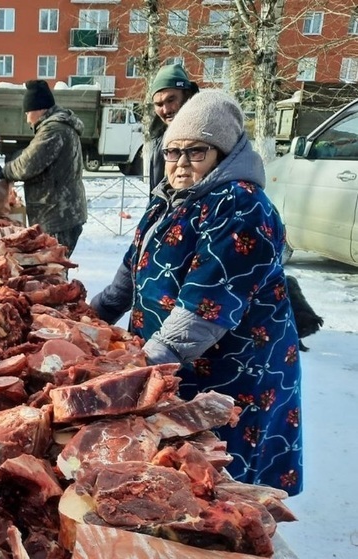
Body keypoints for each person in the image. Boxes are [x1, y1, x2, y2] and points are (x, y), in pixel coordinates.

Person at [90, 90, 303, 495]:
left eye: (196, 152)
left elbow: (206, 308)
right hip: (171, 362)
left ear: (223, 153)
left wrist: (139, 367)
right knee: (174, 472)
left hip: (231, 370)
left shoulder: (242, 205)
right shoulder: (168, 200)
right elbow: (128, 276)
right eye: (173, 152)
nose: (182, 164)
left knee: (220, 482)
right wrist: (86, 322)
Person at [0, 79, 87, 257]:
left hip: (58, 216)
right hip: (60, 212)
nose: (27, 119)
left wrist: (2, 171)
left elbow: (29, 163)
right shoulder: (57, 127)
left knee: (53, 270)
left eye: (27, 113)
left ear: (39, 109)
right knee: (52, 268)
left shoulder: (53, 130)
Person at [148, 64, 199, 195]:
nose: (166, 110)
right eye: (159, 104)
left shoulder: (207, 135)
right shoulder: (159, 139)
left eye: (171, 100)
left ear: (187, 95)